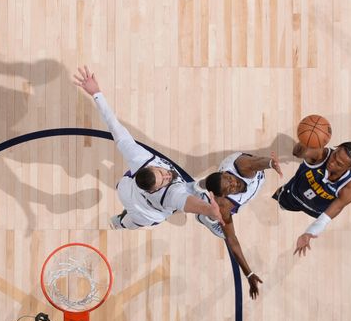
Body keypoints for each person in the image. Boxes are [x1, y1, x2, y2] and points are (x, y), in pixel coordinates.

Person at [73, 66, 223, 230]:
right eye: (164, 180)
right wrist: (209, 210)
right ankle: (119, 223)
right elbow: (185, 202)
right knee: (129, 223)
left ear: (149, 166)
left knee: (125, 185)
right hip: (145, 213)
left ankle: (194, 189)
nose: (167, 176)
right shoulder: (169, 195)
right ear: (155, 190)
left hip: (127, 188)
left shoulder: (140, 158)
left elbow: (114, 126)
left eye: (162, 173)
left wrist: (96, 94)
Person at [197, 152, 283, 299]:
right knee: (217, 213)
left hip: (251, 170)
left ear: (226, 173)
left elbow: (256, 161)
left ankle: (200, 186)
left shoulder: (242, 167)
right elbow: (232, 239)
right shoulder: (224, 204)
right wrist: (248, 273)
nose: (235, 183)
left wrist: (270, 163)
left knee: (248, 168)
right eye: (230, 188)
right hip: (225, 198)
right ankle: (207, 215)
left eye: (230, 179)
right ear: (224, 195)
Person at [273, 141, 351, 256]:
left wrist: (309, 233)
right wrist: (306, 140)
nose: (332, 163)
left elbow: (326, 218)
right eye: (335, 155)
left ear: (350, 167)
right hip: (294, 194)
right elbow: (297, 153)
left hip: (316, 210)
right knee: (277, 204)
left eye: (339, 164)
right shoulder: (320, 155)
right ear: (335, 148)